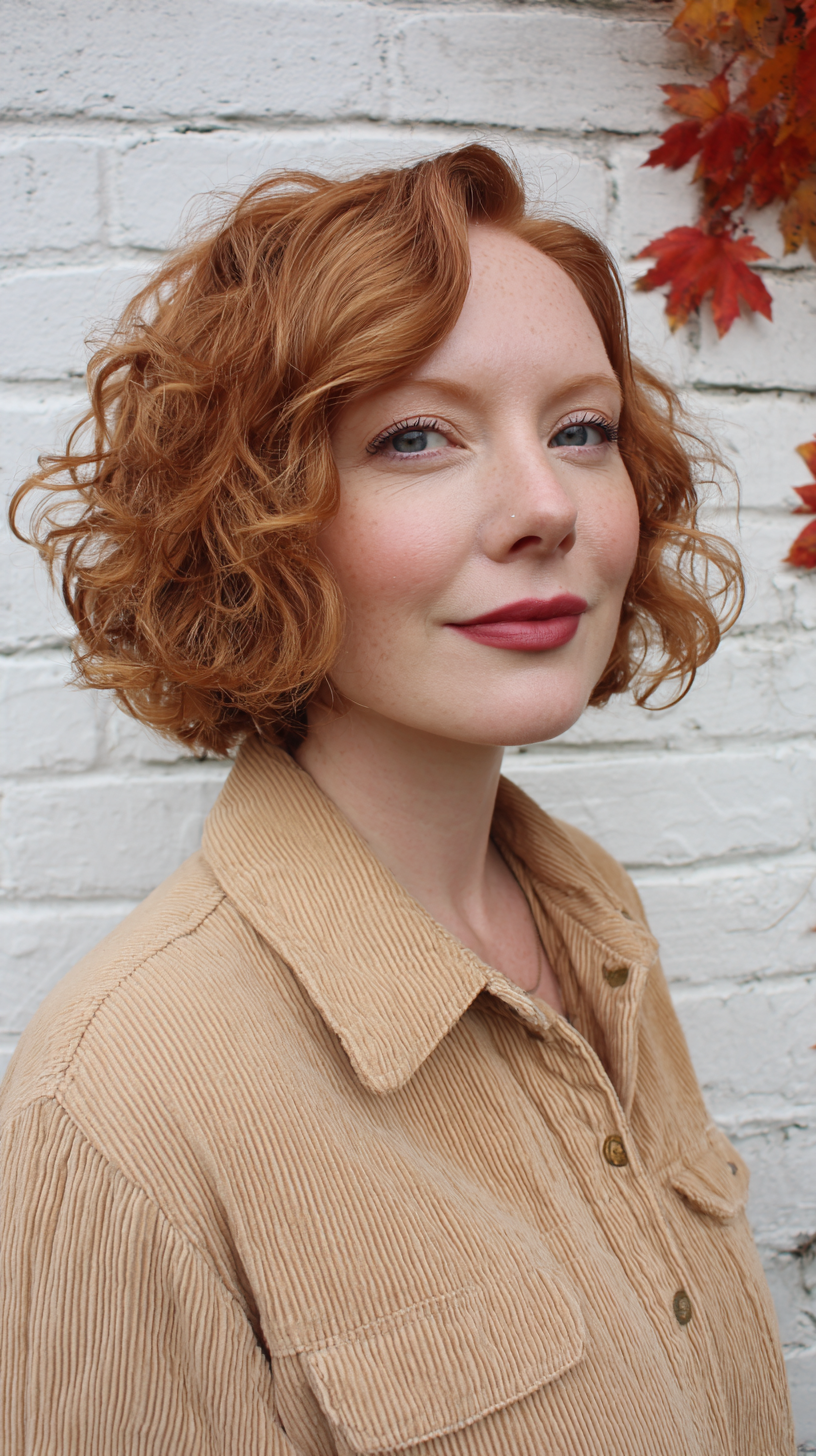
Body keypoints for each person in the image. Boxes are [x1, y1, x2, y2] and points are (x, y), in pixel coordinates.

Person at [2, 145, 794, 1456]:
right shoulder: (121, 1112)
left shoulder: (589, 908)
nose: (545, 506)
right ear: (254, 513)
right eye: (416, 436)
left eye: (580, 430)